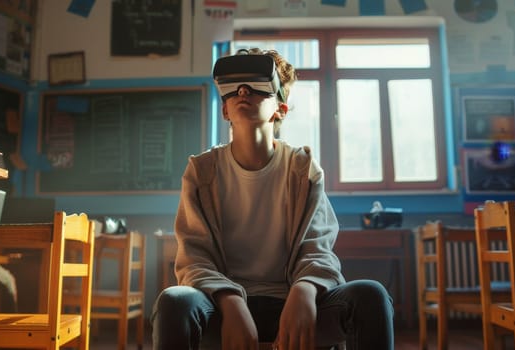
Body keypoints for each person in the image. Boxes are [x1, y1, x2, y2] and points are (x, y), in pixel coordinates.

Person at [151, 48, 394, 350]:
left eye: (257, 85)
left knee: (371, 295)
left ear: (281, 108)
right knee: (173, 300)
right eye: (233, 88)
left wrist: (305, 290)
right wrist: (230, 300)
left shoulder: (302, 170)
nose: (243, 91)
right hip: (223, 309)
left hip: (295, 304)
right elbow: (194, 258)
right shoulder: (201, 172)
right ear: (225, 110)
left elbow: (318, 249)